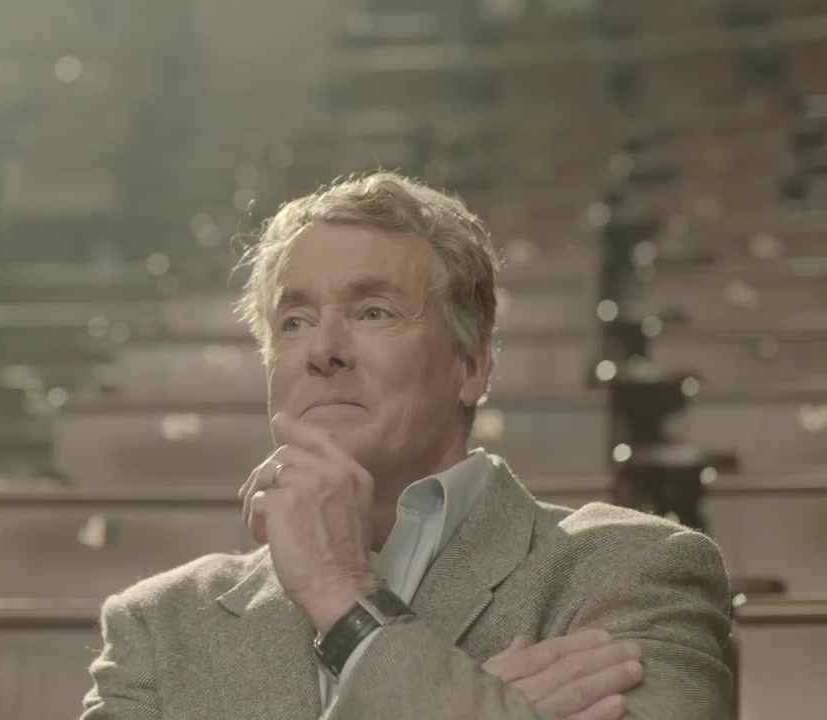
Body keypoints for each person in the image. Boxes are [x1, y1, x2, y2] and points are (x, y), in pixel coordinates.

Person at [81, 172, 733, 719]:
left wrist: (345, 598)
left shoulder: (632, 570)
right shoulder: (160, 626)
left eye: (374, 312)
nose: (324, 350)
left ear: (471, 366)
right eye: (295, 321)